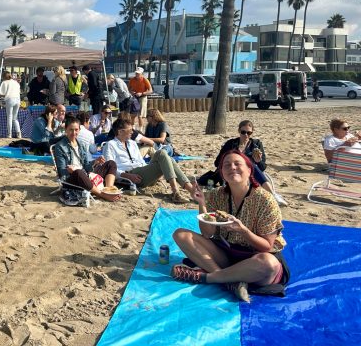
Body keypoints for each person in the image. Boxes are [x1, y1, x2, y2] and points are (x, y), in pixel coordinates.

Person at [171, 150, 289, 303]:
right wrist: (201, 204)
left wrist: (243, 230)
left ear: (249, 170)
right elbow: (207, 234)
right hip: (228, 253)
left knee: (268, 263)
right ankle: (229, 281)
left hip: (255, 259)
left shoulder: (265, 200)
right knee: (181, 235)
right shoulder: (216, 195)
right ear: (222, 173)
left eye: (237, 164)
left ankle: (210, 277)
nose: (232, 167)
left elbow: (266, 246)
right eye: (226, 165)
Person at [103, 119, 193, 202]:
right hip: (130, 175)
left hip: (142, 173)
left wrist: (151, 169)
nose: (132, 132)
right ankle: (186, 191)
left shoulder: (132, 143)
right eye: (130, 130)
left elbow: (140, 161)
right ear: (120, 131)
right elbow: (109, 167)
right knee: (163, 155)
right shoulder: (110, 145)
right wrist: (126, 175)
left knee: (164, 156)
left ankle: (184, 191)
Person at [52, 116, 121, 202]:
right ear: (66, 130)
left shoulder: (81, 145)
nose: (74, 132)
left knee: (111, 163)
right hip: (72, 178)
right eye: (71, 130)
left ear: (79, 130)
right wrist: (71, 170)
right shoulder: (60, 146)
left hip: (85, 174)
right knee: (79, 172)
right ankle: (101, 194)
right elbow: (62, 172)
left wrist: (95, 162)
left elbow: (86, 166)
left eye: (76, 130)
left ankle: (108, 190)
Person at [0, 71, 22, 138]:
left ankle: (9, 134)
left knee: (9, 117)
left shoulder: (4, 82)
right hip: (17, 100)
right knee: (15, 118)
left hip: (10, 99)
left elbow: (1, 93)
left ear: (3, 77)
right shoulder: (16, 82)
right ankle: (19, 133)